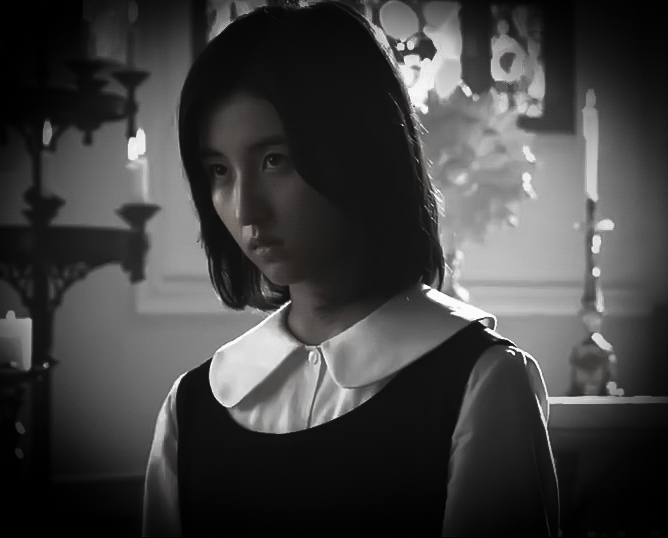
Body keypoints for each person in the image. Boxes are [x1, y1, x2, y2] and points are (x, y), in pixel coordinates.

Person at [142, 1, 560, 536]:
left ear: (359, 151)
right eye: (219, 171)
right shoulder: (194, 406)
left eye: (275, 160)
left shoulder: (482, 380)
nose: (245, 211)